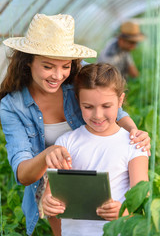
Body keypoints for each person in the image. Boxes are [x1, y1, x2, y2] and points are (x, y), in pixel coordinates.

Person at [0, 13, 150, 236]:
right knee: (70, 228)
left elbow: (112, 104)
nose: (58, 75)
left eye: (65, 66)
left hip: (103, 168)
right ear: (29, 60)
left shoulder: (81, 76)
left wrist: (134, 132)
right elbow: (23, 173)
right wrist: (48, 155)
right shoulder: (13, 106)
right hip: (59, 181)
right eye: (48, 66)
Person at [42, 63, 149, 236]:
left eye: (106, 106)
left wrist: (123, 212)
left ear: (120, 100)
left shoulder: (134, 145)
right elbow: (51, 193)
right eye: (88, 107)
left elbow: (141, 197)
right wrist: (49, 203)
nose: (97, 115)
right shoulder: (66, 142)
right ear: (78, 101)